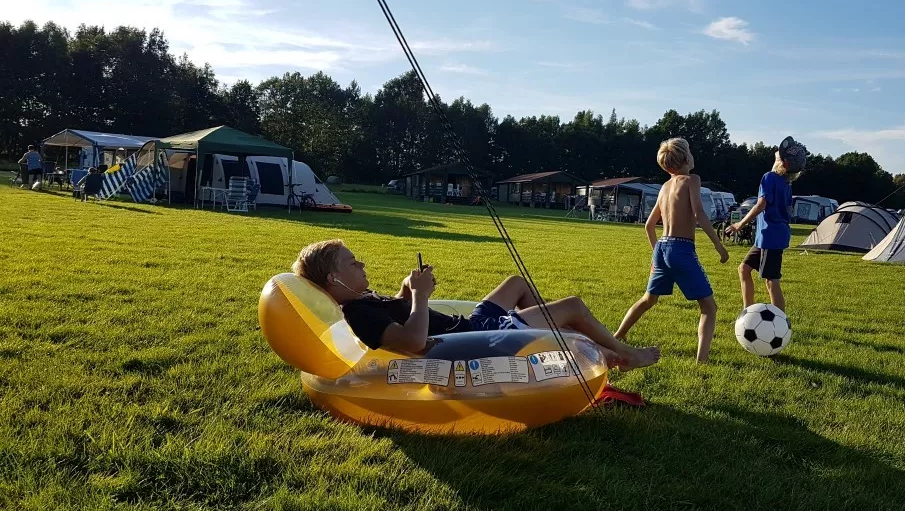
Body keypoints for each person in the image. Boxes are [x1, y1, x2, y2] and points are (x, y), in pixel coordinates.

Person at [292, 239, 660, 370]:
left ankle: (556, 340)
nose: (362, 265)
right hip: (478, 339)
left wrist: (405, 292)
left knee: (516, 283)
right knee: (574, 306)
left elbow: (401, 317)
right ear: (332, 279)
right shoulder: (358, 313)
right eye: (352, 263)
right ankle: (622, 352)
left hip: (469, 324)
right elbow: (413, 343)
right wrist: (421, 296)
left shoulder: (363, 300)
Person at [614, 138, 729, 363]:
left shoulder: (665, 187)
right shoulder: (692, 179)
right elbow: (699, 214)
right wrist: (719, 245)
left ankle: (617, 336)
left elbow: (649, 226)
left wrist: (656, 255)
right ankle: (702, 361)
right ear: (686, 158)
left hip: (662, 247)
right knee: (708, 307)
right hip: (681, 248)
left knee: (648, 299)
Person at [726, 136, 807, 313]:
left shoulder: (769, 177)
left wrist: (739, 224)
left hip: (771, 236)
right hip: (767, 236)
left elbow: (761, 204)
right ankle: (747, 311)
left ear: (783, 164)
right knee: (744, 269)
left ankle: (781, 321)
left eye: (777, 157)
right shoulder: (786, 183)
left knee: (771, 280)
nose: (774, 156)